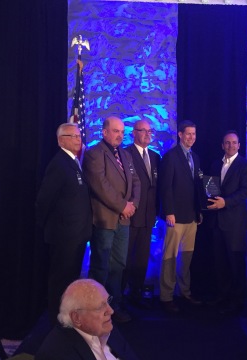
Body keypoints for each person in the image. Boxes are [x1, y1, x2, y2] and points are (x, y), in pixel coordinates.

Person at [83, 116, 141, 323]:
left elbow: (135, 181)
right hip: (105, 220)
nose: (120, 135)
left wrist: (132, 204)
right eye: (116, 131)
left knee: (118, 265)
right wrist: (122, 206)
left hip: (123, 220)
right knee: (101, 265)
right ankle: (96, 309)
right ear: (105, 132)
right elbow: (100, 185)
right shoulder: (94, 154)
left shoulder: (125, 154)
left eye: (122, 132)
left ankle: (114, 306)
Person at [36, 123, 93, 325]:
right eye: (73, 136)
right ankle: (57, 319)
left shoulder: (74, 162)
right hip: (63, 235)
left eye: (79, 136)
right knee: (61, 279)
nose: (79, 139)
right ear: (61, 140)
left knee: (71, 278)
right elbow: (44, 200)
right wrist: (48, 227)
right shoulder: (58, 164)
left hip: (77, 234)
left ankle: (68, 316)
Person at [206, 131, 247, 314]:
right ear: (222, 145)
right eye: (227, 143)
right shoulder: (214, 164)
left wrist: (225, 202)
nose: (231, 146)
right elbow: (210, 189)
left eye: (234, 143)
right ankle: (222, 296)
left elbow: (245, 191)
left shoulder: (246, 166)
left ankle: (237, 299)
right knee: (220, 262)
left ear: (239, 145)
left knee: (236, 262)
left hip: (235, 223)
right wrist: (209, 202)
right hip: (216, 221)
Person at [158, 120, 203, 313]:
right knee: (170, 257)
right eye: (188, 134)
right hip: (175, 217)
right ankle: (166, 296)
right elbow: (165, 187)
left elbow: (197, 188)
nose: (191, 137)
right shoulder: (170, 157)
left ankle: (185, 291)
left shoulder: (196, 157)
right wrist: (169, 212)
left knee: (186, 257)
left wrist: (199, 210)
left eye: (194, 134)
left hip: (192, 216)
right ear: (180, 135)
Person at [36, 279, 139, 360]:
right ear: (77, 318)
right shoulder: (56, 354)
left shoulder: (105, 326)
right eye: (100, 307)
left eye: (108, 301)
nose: (111, 311)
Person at [122, 120, 160, 308]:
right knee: (126, 257)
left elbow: (156, 188)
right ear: (133, 133)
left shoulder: (154, 156)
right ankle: (121, 293)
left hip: (148, 216)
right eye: (143, 131)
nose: (147, 134)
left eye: (149, 131)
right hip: (130, 215)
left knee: (142, 257)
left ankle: (136, 291)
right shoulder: (125, 154)